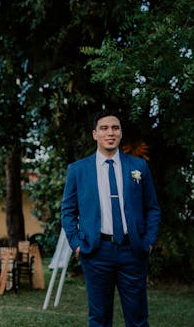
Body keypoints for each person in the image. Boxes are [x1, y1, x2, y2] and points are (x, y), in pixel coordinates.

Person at [61, 110, 161, 327]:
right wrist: (77, 245)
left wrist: (149, 242)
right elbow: (68, 212)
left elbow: (152, 208)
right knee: (99, 319)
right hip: (96, 252)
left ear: (121, 133)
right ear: (94, 134)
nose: (110, 133)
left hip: (132, 251)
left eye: (115, 128)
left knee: (138, 319)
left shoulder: (138, 167)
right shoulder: (78, 170)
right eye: (104, 128)